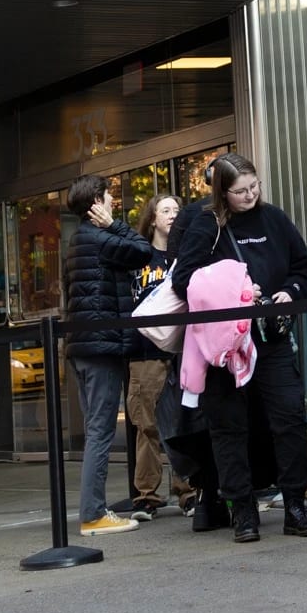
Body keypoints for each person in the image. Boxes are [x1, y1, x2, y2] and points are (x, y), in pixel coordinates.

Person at [169, 153, 307, 540]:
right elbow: (183, 279)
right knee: (228, 427)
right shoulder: (207, 224)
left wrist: (290, 291)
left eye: (254, 187)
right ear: (223, 191)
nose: (250, 196)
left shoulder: (275, 218)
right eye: (240, 191)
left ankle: (295, 506)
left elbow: (302, 268)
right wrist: (235, 291)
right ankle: (242, 511)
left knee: (289, 419)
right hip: (225, 345)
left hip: (271, 337)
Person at [62, 174, 164, 539]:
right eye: (108, 198)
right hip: (101, 346)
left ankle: (94, 509)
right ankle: (93, 514)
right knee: (101, 431)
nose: (113, 203)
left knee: (95, 430)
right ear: (96, 205)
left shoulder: (77, 241)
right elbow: (143, 252)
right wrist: (117, 226)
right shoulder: (102, 237)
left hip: (82, 345)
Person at [124, 195, 190, 517]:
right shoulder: (138, 256)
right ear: (152, 218)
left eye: (177, 210)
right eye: (166, 210)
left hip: (180, 350)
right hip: (145, 352)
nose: (172, 215)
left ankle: (188, 491)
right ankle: (147, 496)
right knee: (146, 425)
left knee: (181, 423)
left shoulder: (184, 255)